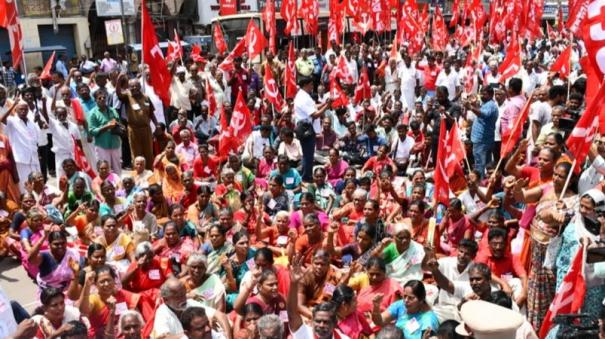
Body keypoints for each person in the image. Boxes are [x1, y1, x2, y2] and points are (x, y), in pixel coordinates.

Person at [287, 255, 351, 339]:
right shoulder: (305, 334)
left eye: (326, 322)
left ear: (335, 323)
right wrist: (294, 283)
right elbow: (292, 314)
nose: (321, 325)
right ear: (312, 321)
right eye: (318, 321)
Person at [151, 277, 230, 338]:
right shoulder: (162, 313)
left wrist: (227, 335)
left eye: (184, 294)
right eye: (178, 297)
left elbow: (221, 315)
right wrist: (192, 333)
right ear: (166, 300)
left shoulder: (189, 303)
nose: (183, 299)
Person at [371, 279, 440, 339]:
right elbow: (379, 322)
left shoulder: (428, 319)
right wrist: (376, 307)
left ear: (421, 300)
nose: (406, 300)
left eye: (411, 298)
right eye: (404, 296)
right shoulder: (401, 305)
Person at [293, 76, 331, 182]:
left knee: (309, 154)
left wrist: (324, 104)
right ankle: (306, 177)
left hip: (308, 127)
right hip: (305, 128)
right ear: (305, 85)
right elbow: (315, 114)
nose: (312, 86)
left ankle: (307, 176)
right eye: (311, 84)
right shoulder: (302, 98)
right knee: (308, 155)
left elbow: (314, 106)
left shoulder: (305, 95)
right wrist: (327, 106)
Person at [87, 89, 122, 174]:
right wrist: (106, 127)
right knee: (105, 169)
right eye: (99, 98)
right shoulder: (93, 113)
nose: (102, 99)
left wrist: (117, 124)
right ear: (95, 100)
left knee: (117, 167)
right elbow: (92, 131)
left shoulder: (112, 110)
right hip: (102, 145)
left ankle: (118, 186)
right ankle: (106, 186)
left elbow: (119, 123)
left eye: (104, 97)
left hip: (115, 143)